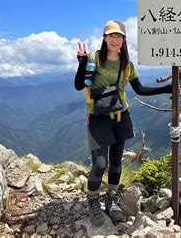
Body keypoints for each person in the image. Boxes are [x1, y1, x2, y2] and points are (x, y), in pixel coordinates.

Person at [74, 20, 172, 226]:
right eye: (111, 35)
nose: (115, 40)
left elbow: (140, 89)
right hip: (98, 118)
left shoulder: (126, 64)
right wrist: (81, 63)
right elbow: (78, 85)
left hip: (120, 117)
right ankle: (93, 200)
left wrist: (167, 88)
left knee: (117, 162)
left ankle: (111, 198)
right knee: (100, 164)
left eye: (119, 36)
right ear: (104, 37)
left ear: (124, 40)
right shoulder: (93, 59)